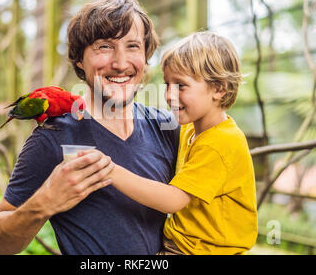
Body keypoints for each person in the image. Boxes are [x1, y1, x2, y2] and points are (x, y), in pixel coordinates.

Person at [0, 0, 180, 255]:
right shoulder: (52, 138)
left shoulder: (168, 129)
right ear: (79, 59)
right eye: (104, 47)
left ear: (145, 57)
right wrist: (44, 202)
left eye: (132, 46)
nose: (121, 64)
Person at [105, 31, 258, 255]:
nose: (169, 95)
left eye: (181, 86)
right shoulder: (191, 129)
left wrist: (110, 171)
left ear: (219, 89)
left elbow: (173, 200)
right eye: (167, 84)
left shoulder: (220, 142)